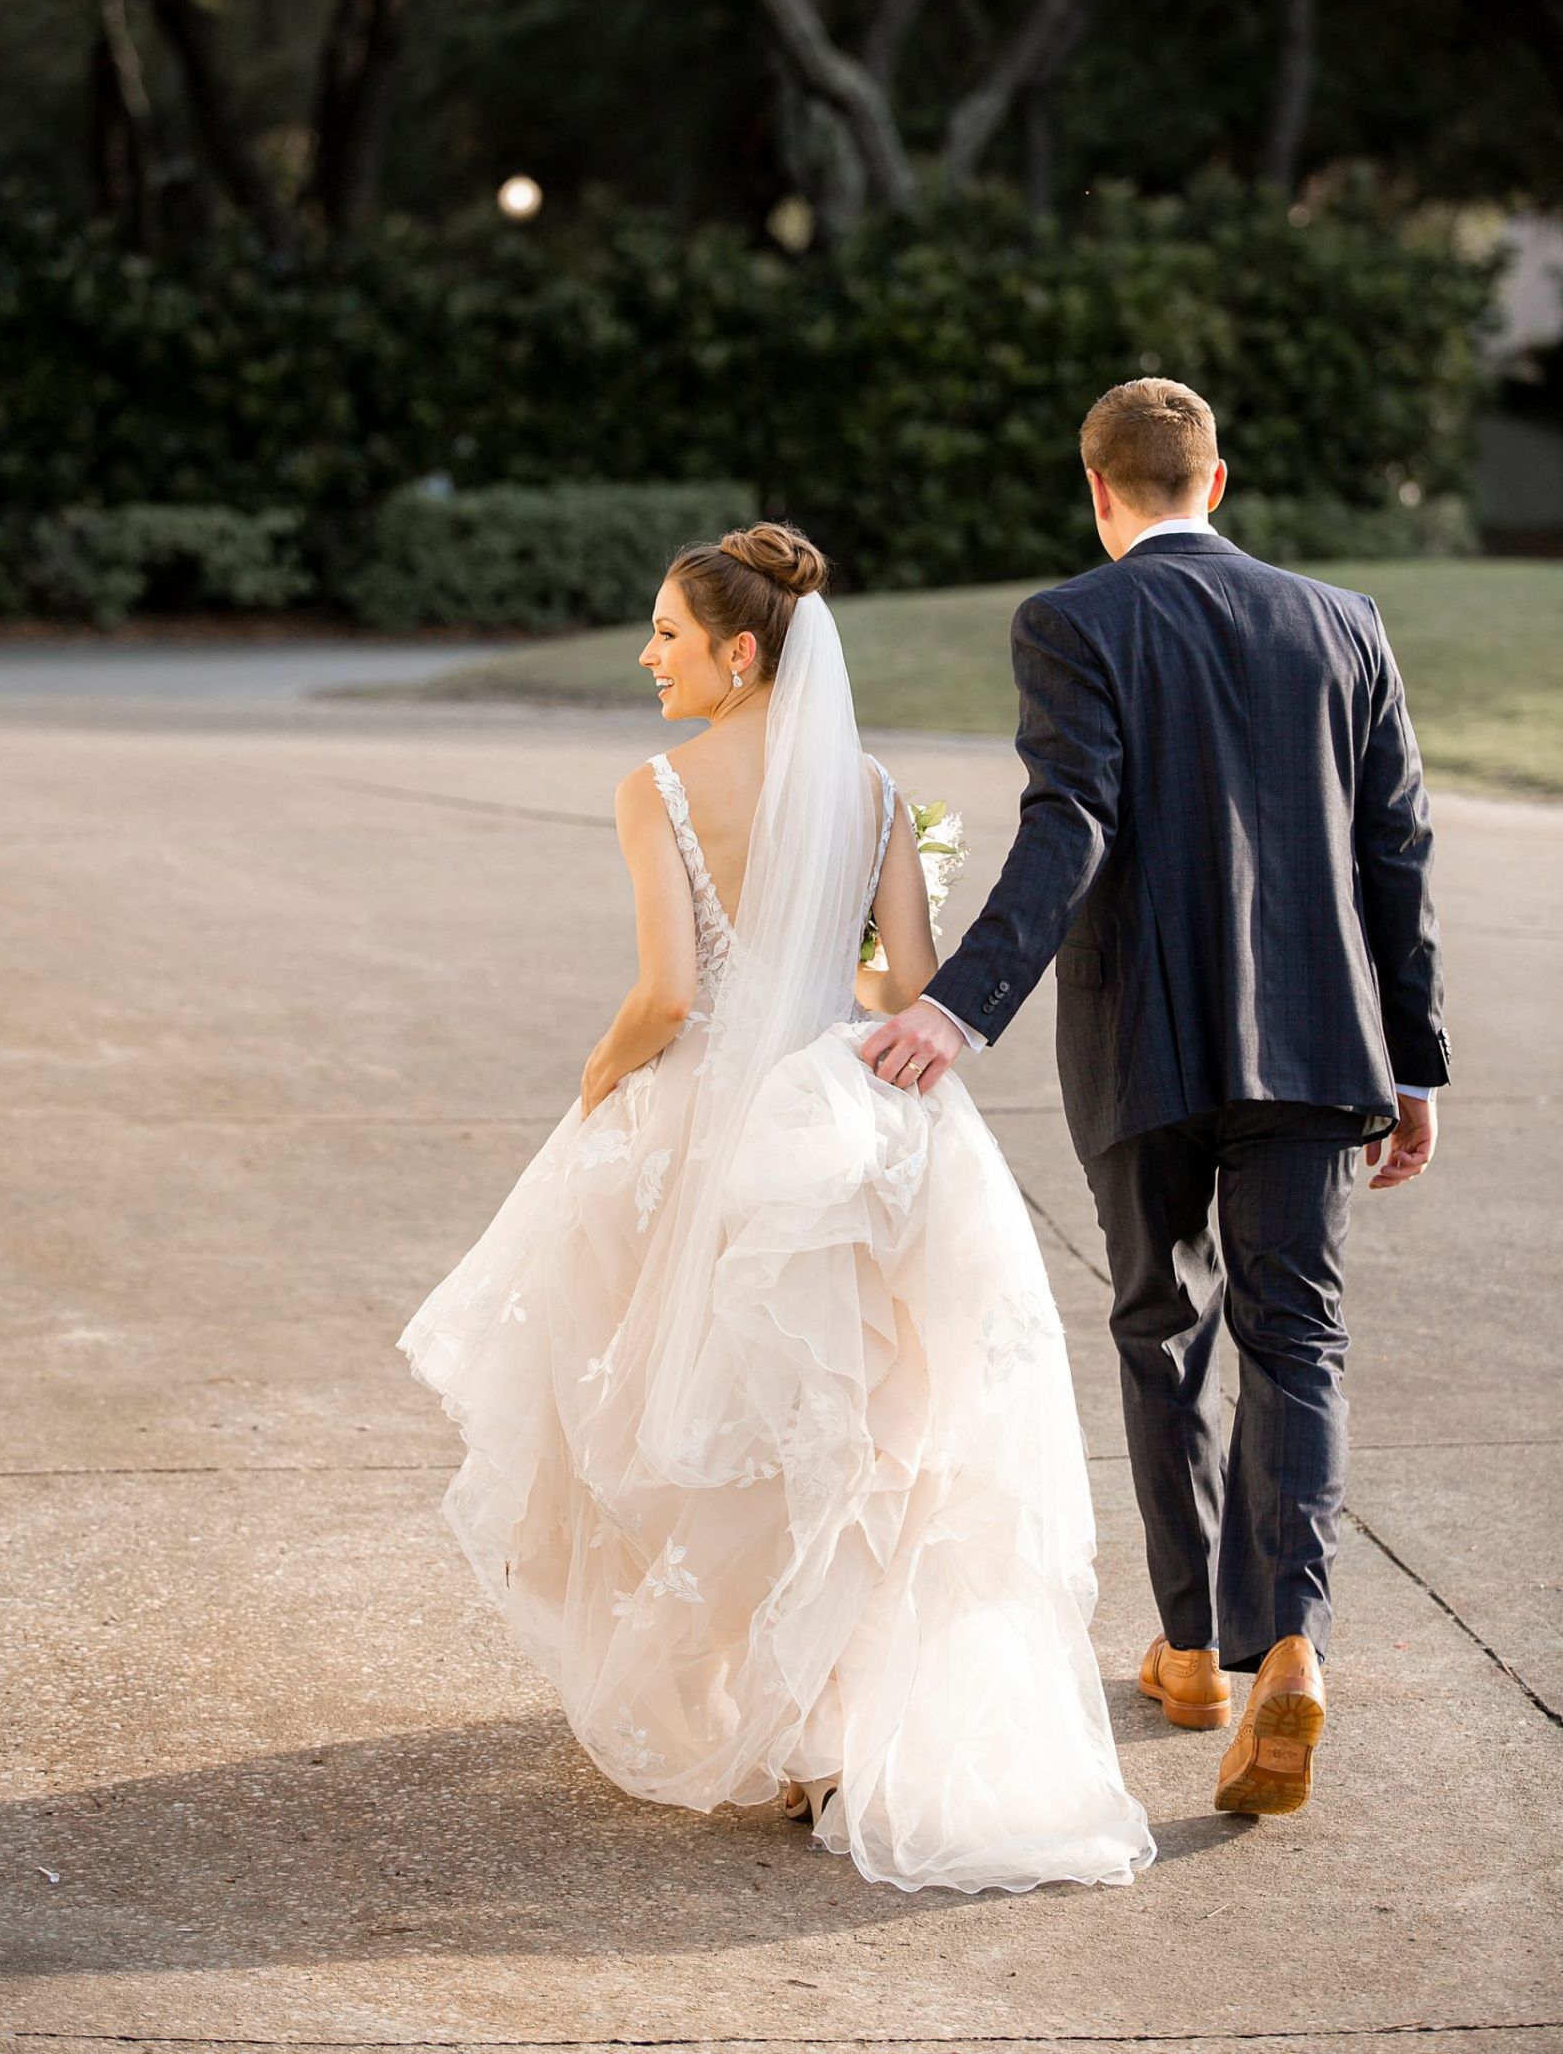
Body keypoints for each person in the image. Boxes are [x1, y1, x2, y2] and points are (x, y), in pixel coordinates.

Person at [398, 521, 1154, 1895]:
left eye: (667, 635)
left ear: (739, 653)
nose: (649, 657)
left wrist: (596, 1077)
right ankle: (828, 1736)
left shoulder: (657, 790)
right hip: (837, 1121)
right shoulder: (877, 795)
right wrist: (859, 925)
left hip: (706, 1118)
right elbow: (900, 987)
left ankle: (769, 1717)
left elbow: (669, 996)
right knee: (856, 1423)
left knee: (693, 1417)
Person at [861, 378, 1448, 1819]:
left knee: (1161, 1326)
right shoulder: (1345, 622)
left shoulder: (1072, 620)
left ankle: (1190, 1654)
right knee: (1297, 1338)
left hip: (1145, 1042)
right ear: (1216, 480)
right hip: (1318, 1044)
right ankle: (1289, 1646)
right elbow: (1396, 847)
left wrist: (957, 1004)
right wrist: (1412, 1058)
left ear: (1098, 491)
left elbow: (1071, 821)